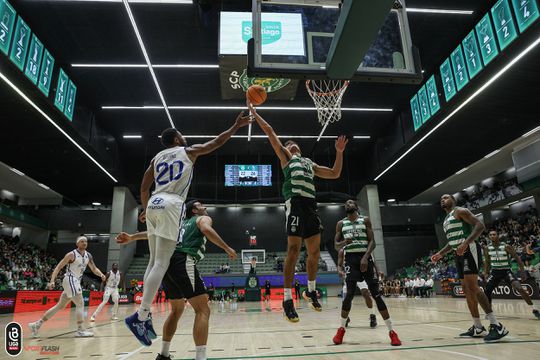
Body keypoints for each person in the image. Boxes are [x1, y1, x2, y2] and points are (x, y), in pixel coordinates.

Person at [126, 113, 251, 346]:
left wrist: (145, 208)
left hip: (154, 201)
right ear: (176, 139)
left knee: (154, 261)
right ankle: (141, 316)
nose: (184, 138)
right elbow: (216, 143)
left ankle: (144, 315)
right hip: (172, 203)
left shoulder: (156, 158)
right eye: (181, 135)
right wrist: (235, 125)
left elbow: (143, 187)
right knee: (161, 263)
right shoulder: (187, 151)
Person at [247, 100, 348, 322]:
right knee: (293, 249)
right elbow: (270, 132)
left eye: (295, 144)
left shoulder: (309, 163)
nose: (293, 145)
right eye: (289, 144)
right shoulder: (286, 158)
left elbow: (334, 173)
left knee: (313, 252)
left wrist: (339, 152)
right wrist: (255, 112)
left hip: (311, 206)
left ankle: (311, 290)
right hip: (295, 204)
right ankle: (286, 299)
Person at [117, 200, 237, 360]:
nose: (205, 208)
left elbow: (155, 235)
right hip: (183, 260)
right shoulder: (202, 218)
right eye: (201, 206)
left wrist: (132, 237)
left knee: (177, 310)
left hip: (166, 263)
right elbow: (207, 229)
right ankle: (201, 357)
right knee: (202, 310)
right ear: (194, 210)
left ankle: (164, 354)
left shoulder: (177, 224)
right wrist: (226, 248)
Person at [432, 194, 508, 342]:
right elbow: (453, 242)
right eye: (441, 198)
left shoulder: (460, 211)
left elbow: (480, 225)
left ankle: (496, 325)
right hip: (458, 253)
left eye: (446, 197)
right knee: (467, 291)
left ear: (453, 201)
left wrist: (466, 243)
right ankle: (478, 327)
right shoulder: (446, 220)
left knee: (473, 287)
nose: (442, 199)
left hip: (469, 250)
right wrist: (440, 253)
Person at [332, 199, 401, 346]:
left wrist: (365, 257)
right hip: (350, 260)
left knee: (376, 295)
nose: (348, 204)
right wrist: (344, 242)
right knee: (349, 295)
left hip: (365, 257)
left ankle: (392, 332)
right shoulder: (341, 224)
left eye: (351, 202)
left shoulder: (365, 220)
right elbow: (336, 245)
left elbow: (373, 242)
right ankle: (341, 330)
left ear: (356, 207)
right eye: (346, 203)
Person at [28, 236, 106, 337]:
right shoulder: (71, 255)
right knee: (80, 303)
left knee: (60, 306)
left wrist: (101, 275)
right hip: (70, 279)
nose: (84, 243)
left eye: (86, 241)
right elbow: (58, 267)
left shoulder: (88, 256)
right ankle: (80, 330)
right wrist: (52, 280)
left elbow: (94, 269)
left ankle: (37, 324)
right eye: (82, 241)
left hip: (76, 281)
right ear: (77, 244)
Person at [483, 230, 539, 319]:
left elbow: (518, 259)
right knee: (487, 291)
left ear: (498, 236)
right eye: (490, 235)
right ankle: (489, 313)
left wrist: (523, 272)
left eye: (494, 234)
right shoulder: (487, 248)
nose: (492, 236)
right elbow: (487, 261)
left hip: (506, 271)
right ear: (489, 237)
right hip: (495, 272)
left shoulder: (506, 246)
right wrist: (486, 272)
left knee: (519, 288)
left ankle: (534, 309)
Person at [338, 248, 377, 329]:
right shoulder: (342, 251)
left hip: (361, 275)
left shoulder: (364, 248)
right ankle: (346, 318)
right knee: (347, 298)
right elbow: (339, 265)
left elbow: (373, 262)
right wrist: (340, 271)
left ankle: (372, 315)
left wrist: (377, 270)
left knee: (365, 293)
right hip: (349, 275)